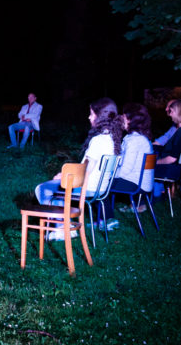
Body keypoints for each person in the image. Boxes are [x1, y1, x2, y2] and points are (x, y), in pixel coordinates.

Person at [34, 98, 123, 240]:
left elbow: (86, 170)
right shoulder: (113, 139)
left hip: (88, 187)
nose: (89, 117)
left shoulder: (99, 140)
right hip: (101, 188)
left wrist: (65, 177)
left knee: (42, 188)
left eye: (92, 114)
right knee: (57, 192)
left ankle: (63, 228)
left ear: (100, 116)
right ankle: (64, 225)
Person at [102, 103, 154, 225]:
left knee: (101, 185)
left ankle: (107, 221)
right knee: (104, 181)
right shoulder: (138, 137)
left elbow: (125, 170)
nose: (121, 119)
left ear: (131, 120)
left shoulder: (134, 140)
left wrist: (107, 176)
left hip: (137, 183)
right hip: (142, 182)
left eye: (124, 117)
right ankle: (105, 218)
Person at [154, 99, 181, 184]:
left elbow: (172, 159)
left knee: (145, 169)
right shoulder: (178, 130)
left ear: (173, 111)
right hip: (174, 168)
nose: (169, 115)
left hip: (173, 170)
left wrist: (155, 162)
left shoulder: (180, 132)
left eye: (170, 111)